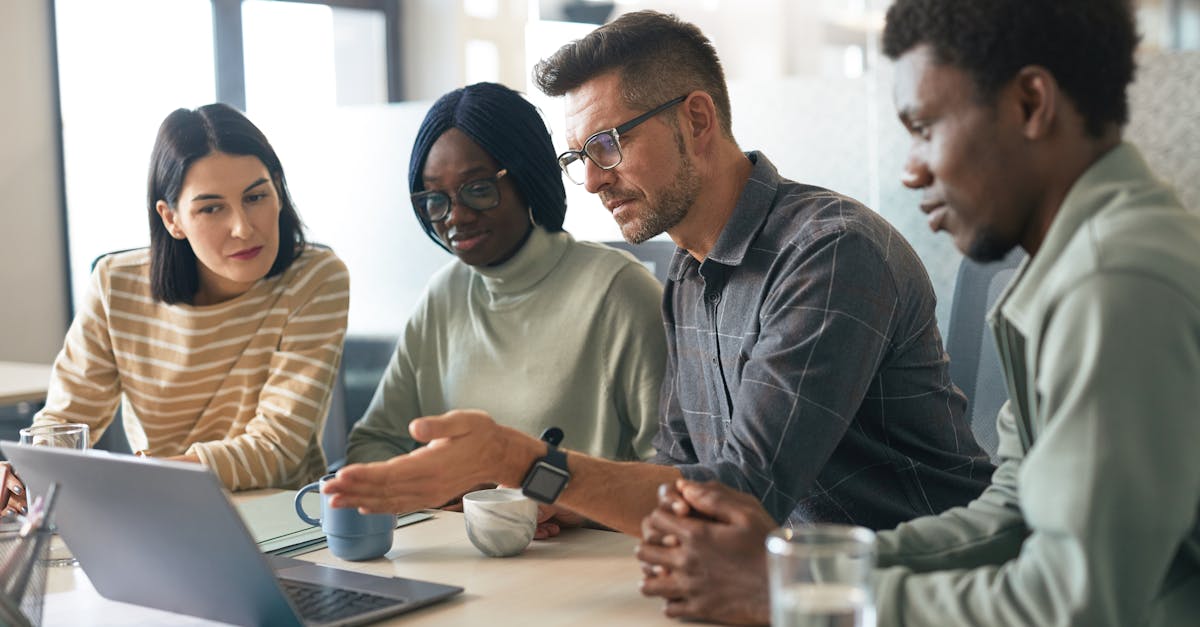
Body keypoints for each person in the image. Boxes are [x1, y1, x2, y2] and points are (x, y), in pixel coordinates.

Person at [321, 11, 991, 537]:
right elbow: (674, 474)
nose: (591, 181)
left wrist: (516, 458)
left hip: (925, 586)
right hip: (779, 586)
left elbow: (742, 494)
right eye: (578, 157)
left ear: (696, 119)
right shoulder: (689, 274)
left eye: (607, 145)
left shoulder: (828, 252)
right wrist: (548, 497)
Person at [636, 1, 1200, 625]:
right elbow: (1008, 518)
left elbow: (1074, 605)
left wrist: (793, 597)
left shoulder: (1115, 283)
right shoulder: (1073, 272)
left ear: (1031, 104)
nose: (910, 170)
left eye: (925, 128)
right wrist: (802, 572)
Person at [1, 103, 349, 517]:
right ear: (171, 219)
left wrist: (146, 476)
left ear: (278, 190)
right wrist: (25, 473)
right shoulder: (115, 285)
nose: (243, 227)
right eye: (211, 207)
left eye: (256, 196)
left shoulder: (315, 278)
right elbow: (64, 422)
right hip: (162, 517)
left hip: (285, 519)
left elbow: (278, 447)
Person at [344, 83, 665, 491]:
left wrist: (545, 498)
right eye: (436, 199)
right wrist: (450, 495)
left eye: (478, 190)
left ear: (527, 178)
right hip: (455, 532)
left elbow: (670, 475)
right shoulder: (444, 294)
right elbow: (373, 443)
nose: (455, 216)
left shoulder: (619, 292)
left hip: (581, 533)